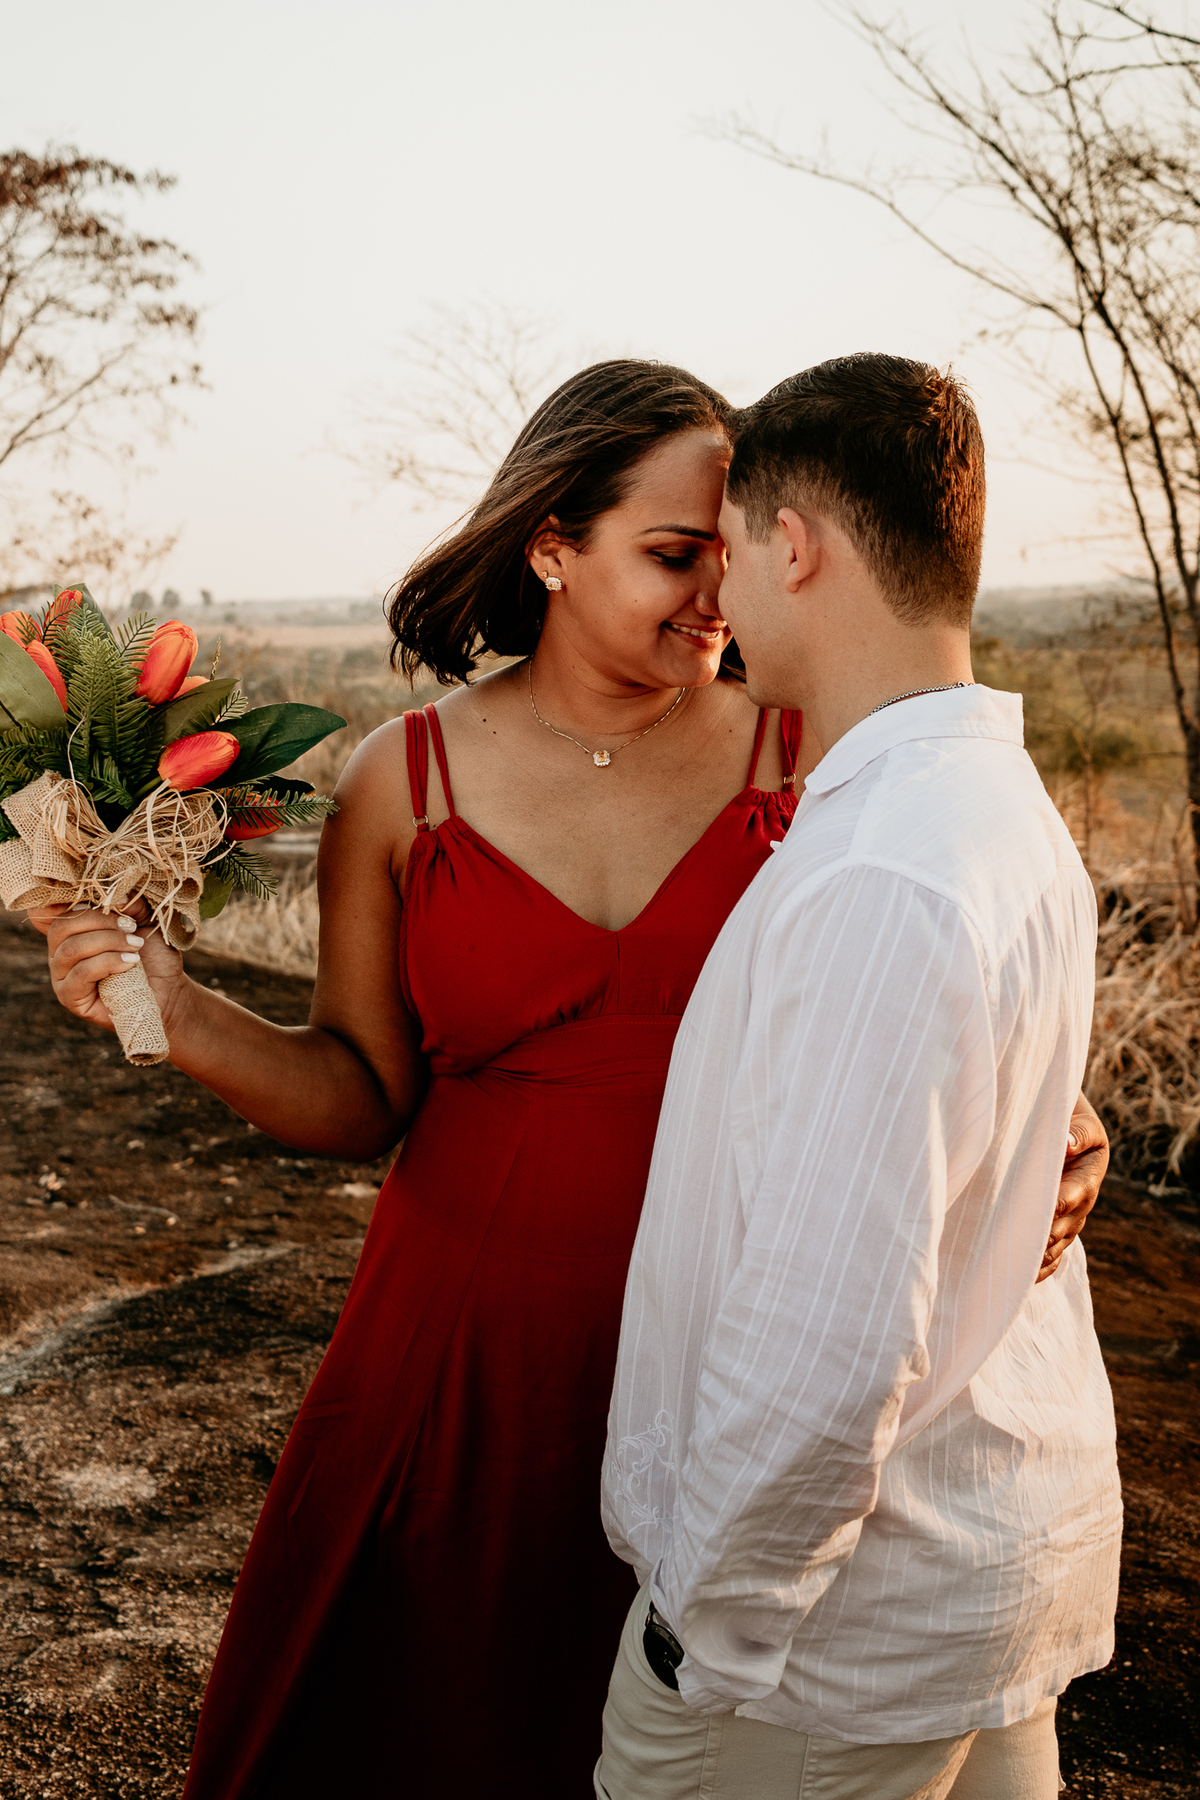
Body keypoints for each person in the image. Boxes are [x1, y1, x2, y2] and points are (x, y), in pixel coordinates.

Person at [31, 361, 1106, 1800]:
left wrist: (1057, 1124)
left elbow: (938, 990)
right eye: (675, 555)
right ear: (553, 545)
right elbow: (361, 1093)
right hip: (469, 1364)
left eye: (730, 556)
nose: (717, 597)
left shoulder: (817, 754)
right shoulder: (399, 783)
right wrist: (173, 1006)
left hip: (732, 1358)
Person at [596, 355, 1123, 1800]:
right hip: (979, 1562)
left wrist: (703, 1633)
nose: (720, 600)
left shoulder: (885, 866)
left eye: (729, 551)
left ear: (796, 543)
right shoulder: (997, 810)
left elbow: (825, 1348)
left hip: (830, 1646)